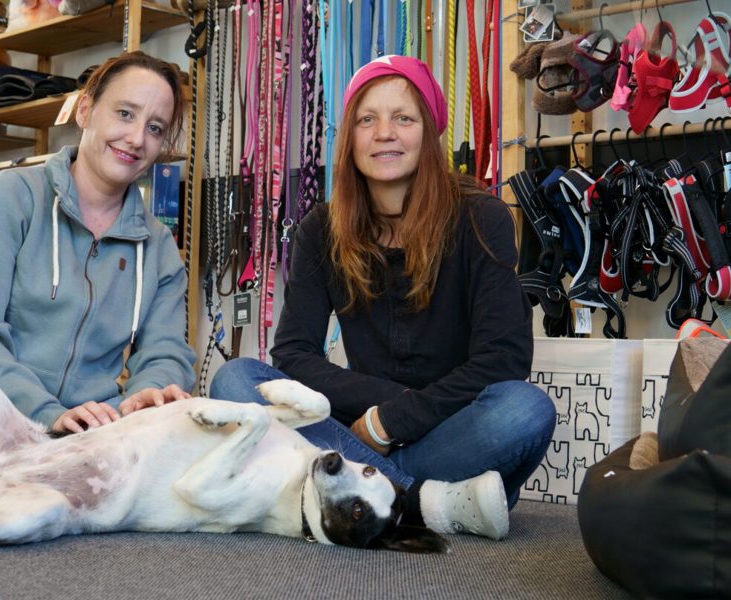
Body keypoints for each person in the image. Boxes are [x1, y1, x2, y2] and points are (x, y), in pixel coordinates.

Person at [210, 55, 556, 540]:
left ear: (428, 132)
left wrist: (395, 422)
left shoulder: (483, 217)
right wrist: (380, 416)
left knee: (524, 410)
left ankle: (362, 496)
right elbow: (293, 354)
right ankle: (426, 502)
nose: (384, 133)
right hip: (354, 427)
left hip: (449, 428)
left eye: (403, 118)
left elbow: (503, 360)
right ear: (349, 138)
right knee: (235, 379)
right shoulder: (322, 229)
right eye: (367, 119)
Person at [0, 51, 197, 512]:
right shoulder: (13, 197)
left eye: (156, 128)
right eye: (125, 114)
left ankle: (55, 492)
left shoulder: (158, 245)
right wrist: (49, 414)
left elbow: (166, 351)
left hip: (86, 433)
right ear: (86, 110)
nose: (137, 138)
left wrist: (151, 389)